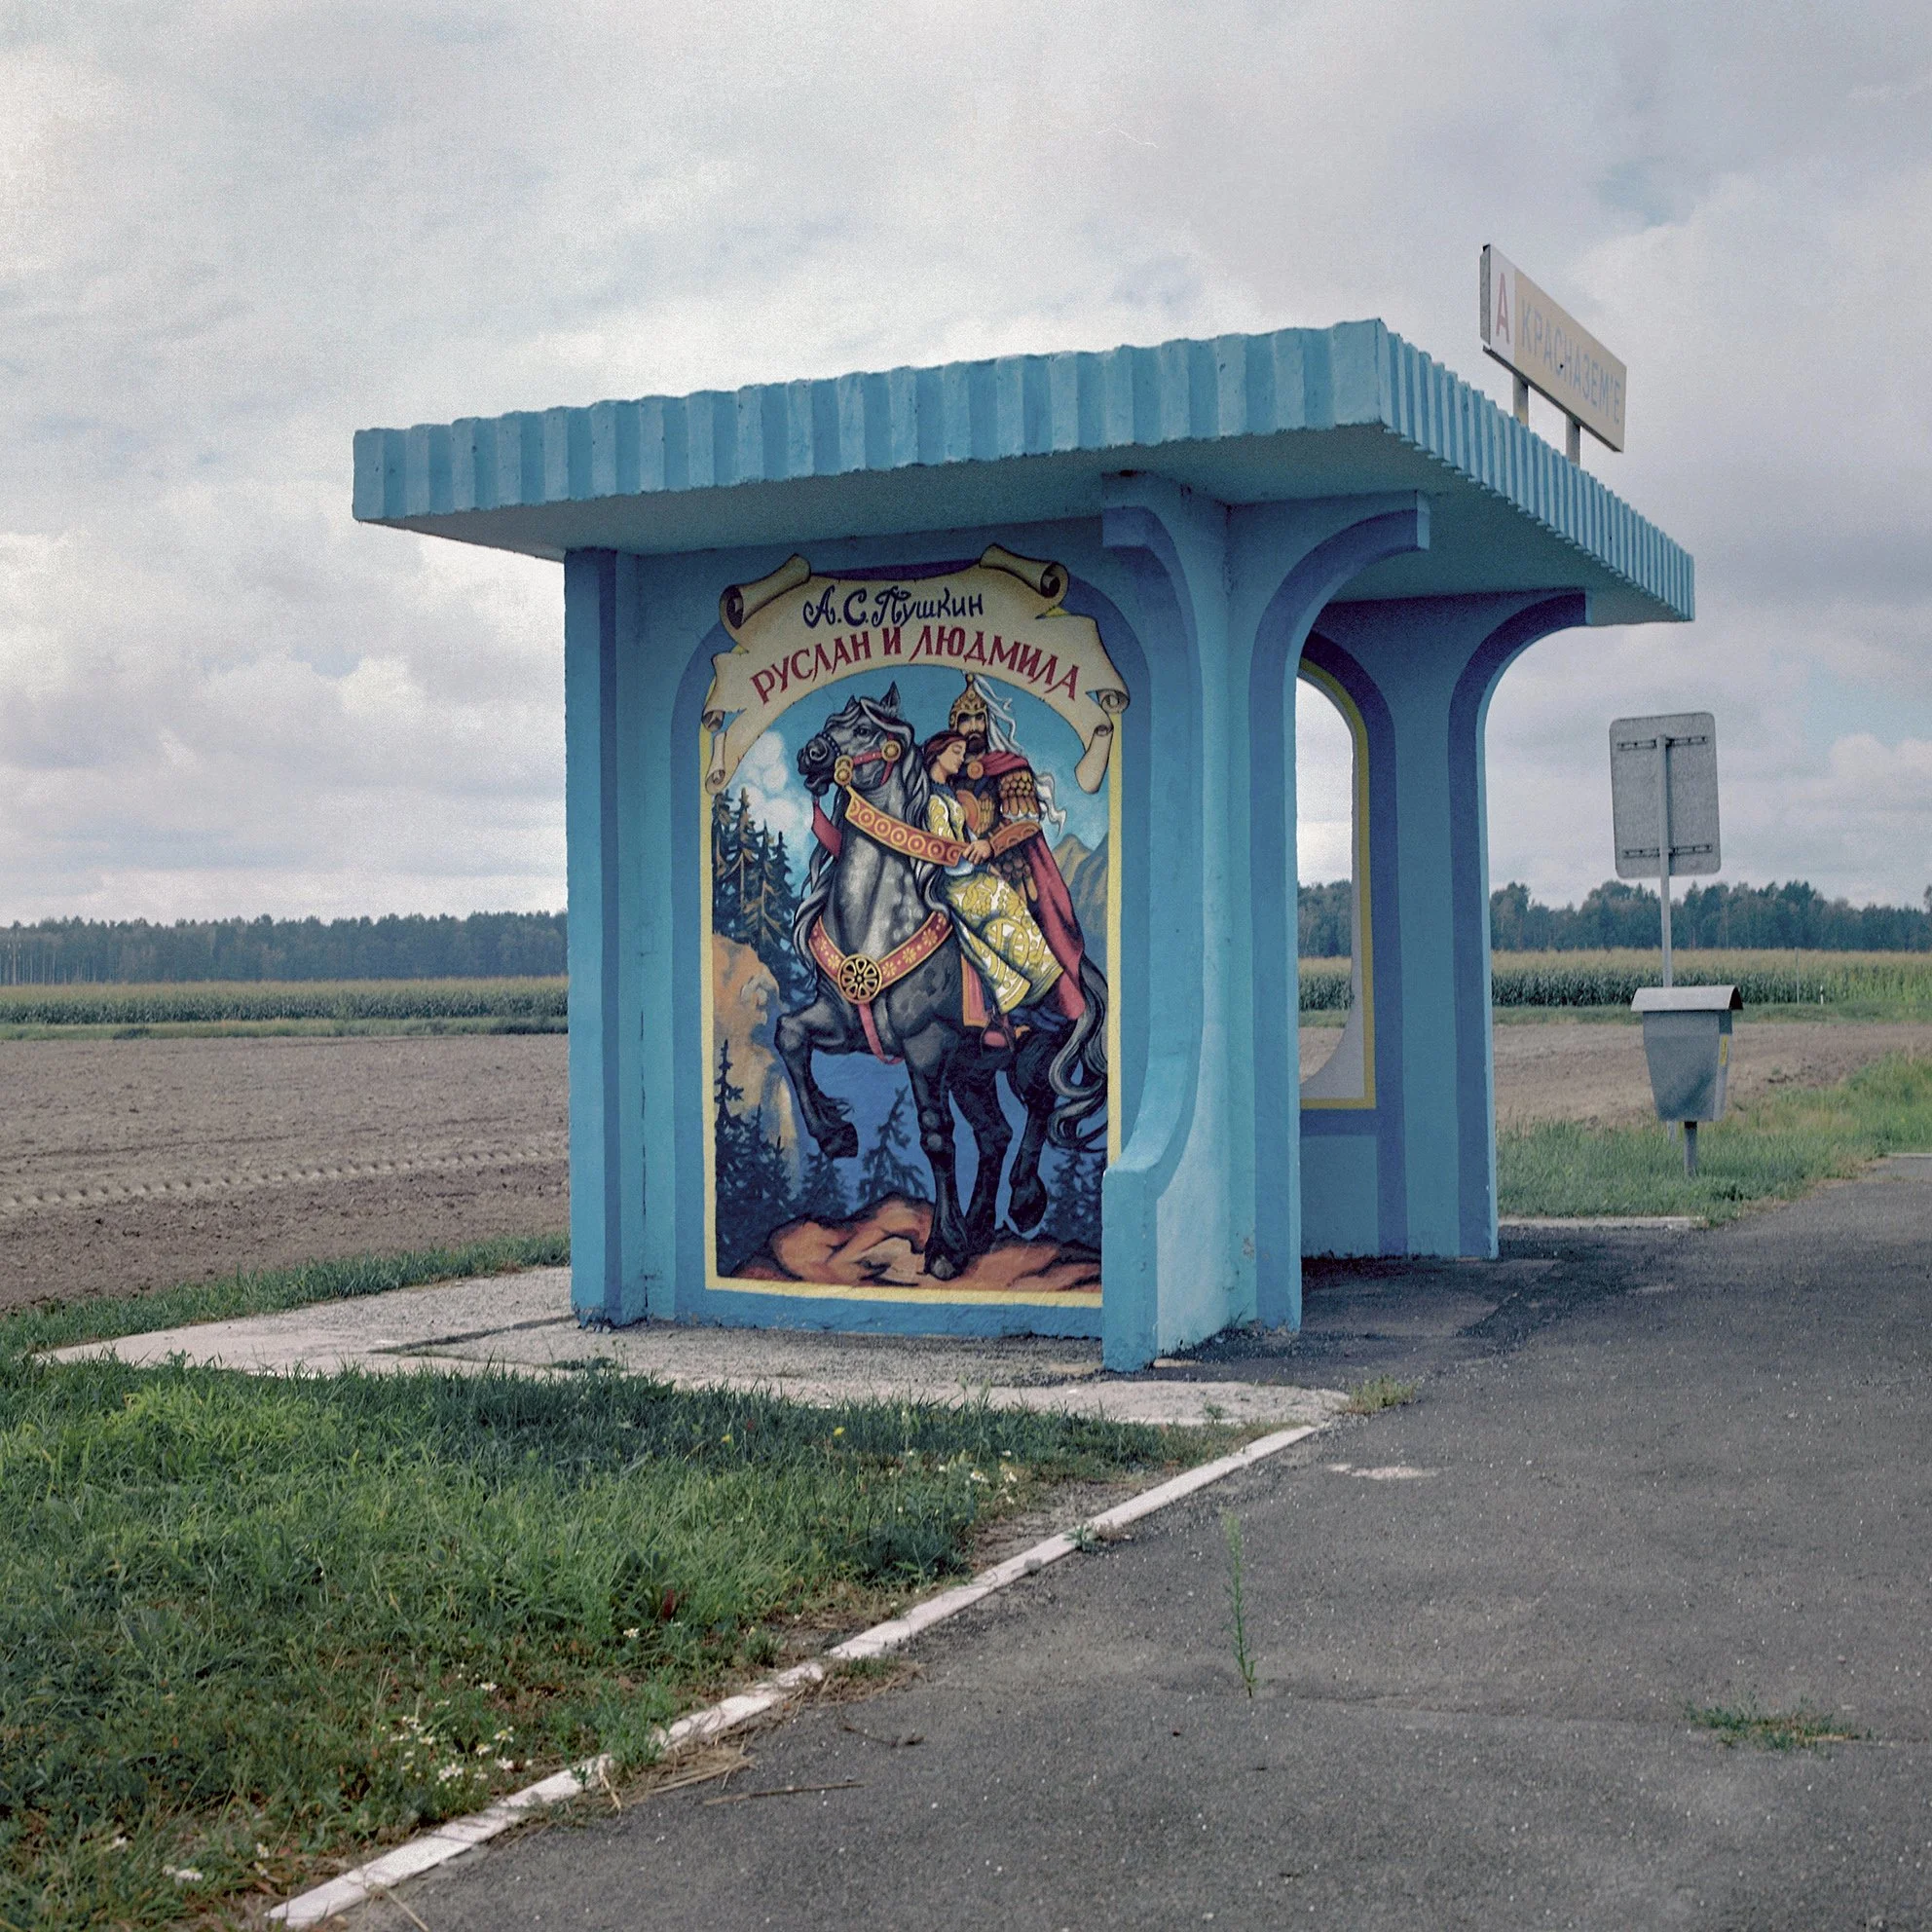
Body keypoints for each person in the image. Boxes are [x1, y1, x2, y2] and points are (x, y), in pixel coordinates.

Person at [940, 676, 1088, 1020]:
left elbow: (1027, 823)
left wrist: (991, 846)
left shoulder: (1008, 769)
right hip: (952, 870)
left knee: (1008, 929)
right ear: (954, 726)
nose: (974, 726)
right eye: (965, 719)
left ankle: (1018, 1016)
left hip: (1007, 869)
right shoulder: (944, 773)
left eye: (979, 718)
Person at [923, 733, 1062, 1049]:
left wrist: (985, 857)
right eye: (955, 752)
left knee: (1005, 896)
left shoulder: (946, 793)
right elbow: (944, 847)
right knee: (992, 901)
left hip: (968, 872)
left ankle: (1031, 998)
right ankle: (1008, 1007)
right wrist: (975, 858)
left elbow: (966, 835)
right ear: (937, 755)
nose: (961, 758)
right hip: (953, 880)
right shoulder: (932, 798)